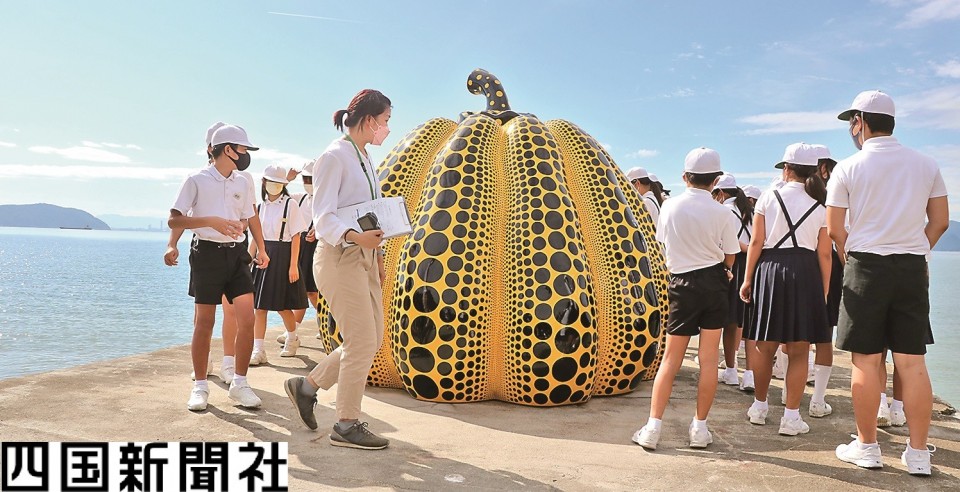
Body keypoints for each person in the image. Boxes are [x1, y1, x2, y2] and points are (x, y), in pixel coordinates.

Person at [828, 90, 948, 475]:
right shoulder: (926, 164)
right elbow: (940, 221)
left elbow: (834, 229)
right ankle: (917, 455)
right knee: (912, 363)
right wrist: (916, 250)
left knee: (865, 359)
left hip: (865, 265)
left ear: (860, 121)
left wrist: (857, 257)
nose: (851, 128)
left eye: (852, 121)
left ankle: (867, 448)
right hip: (911, 267)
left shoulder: (847, 168)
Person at [284, 89, 393, 450]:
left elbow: (369, 210)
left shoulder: (363, 156)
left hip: (363, 258)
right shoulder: (333, 157)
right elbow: (324, 215)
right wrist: (356, 238)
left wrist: (375, 256)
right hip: (338, 257)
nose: (387, 128)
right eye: (386, 121)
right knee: (361, 341)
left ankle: (307, 386)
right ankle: (346, 423)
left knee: (370, 339)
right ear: (369, 120)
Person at [631, 147, 740, 451]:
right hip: (715, 283)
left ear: (684, 176)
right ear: (716, 180)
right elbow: (731, 254)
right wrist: (727, 270)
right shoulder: (723, 212)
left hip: (680, 282)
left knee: (671, 358)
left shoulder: (669, 207)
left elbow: (662, 243)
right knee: (708, 360)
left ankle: (653, 428)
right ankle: (700, 429)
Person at [169, 124, 269, 412]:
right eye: (243, 149)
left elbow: (251, 217)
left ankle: (239, 383)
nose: (246, 154)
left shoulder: (244, 180)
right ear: (228, 149)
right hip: (207, 255)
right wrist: (210, 221)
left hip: (237, 255)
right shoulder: (196, 179)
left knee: (246, 319)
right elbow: (175, 220)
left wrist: (262, 249)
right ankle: (200, 386)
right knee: (205, 322)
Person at [739, 143, 831, 437]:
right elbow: (825, 254)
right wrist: (824, 290)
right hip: (805, 272)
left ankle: (759, 407)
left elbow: (756, 242)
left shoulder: (768, 197)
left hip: (770, 268)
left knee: (764, 346)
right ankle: (791, 418)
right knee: (800, 349)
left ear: (786, 168)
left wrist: (748, 278)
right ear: (814, 171)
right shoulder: (820, 205)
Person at [249, 165, 308, 362]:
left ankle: (292, 338)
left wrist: (293, 265)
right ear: (264, 183)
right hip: (263, 255)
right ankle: (259, 350)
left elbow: (296, 237)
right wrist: (249, 259)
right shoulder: (260, 206)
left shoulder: (290, 204)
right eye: (270, 182)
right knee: (259, 307)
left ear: (283, 185)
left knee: (283, 306)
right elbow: (256, 237)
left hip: (283, 255)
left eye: (278, 183)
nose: (274, 187)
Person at [711, 174, 755, 391]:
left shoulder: (724, 211)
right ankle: (750, 374)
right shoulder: (748, 211)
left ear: (720, 193)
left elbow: (727, 242)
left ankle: (731, 370)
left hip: (734, 263)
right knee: (747, 323)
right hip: (752, 265)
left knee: (729, 322)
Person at [807, 143, 840, 418]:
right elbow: (832, 246)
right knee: (824, 333)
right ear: (825, 169)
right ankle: (817, 400)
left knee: (794, 331)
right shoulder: (833, 197)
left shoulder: (788, 194)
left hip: (797, 265)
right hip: (828, 263)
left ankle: (787, 394)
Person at [278, 161, 320, 343]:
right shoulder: (300, 198)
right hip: (299, 245)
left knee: (311, 292)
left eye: (310, 178)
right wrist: (287, 180)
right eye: (305, 178)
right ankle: (293, 331)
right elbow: (278, 195)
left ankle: (328, 322)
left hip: (317, 247)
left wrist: (318, 232)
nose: (308, 181)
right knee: (302, 291)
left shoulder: (326, 198)